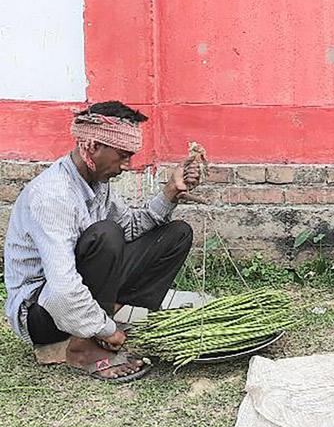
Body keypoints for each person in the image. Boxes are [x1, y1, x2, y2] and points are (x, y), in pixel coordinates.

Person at [4, 101, 202, 382]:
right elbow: (61, 289)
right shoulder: (53, 196)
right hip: (43, 313)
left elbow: (132, 227)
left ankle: (98, 321)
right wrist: (108, 329)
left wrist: (170, 193)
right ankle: (83, 346)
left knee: (175, 234)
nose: (127, 166)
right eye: (122, 156)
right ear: (94, 147)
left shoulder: (97, 184)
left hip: (73, 292)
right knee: (106, 235)